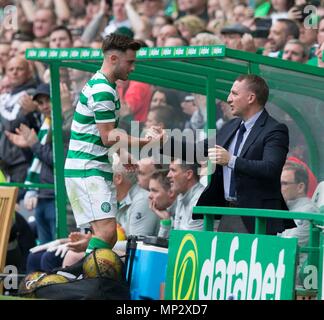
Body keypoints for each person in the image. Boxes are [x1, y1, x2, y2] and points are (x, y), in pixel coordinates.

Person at [64, 33, 164, 256]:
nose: (133, 68)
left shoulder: (106, 86)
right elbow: (108, 136)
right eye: (130, 62)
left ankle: (85, 275)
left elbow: (107, 134)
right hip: (87, 168)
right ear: (113, 59)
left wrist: (124, 154)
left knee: (104, 235)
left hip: (90, 167)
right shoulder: (103, 90)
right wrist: (146, 141)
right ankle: (87, 278)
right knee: (107, 233)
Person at [158, 75, 294, 234]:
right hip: (227, 213)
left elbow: (271, 168)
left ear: (251, 98)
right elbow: (198, 151)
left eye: (234, 94)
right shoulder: (232, 125)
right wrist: (164, 142)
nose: (229, 99)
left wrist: (231, 161)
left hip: (256, 218)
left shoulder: (274, 129)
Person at [279, 163, 319, 284]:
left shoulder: (308, 211)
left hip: (295, 280)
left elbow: (286, 247)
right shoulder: (284, 207)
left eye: (284, 183)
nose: (279, 187)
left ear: (300, 187)